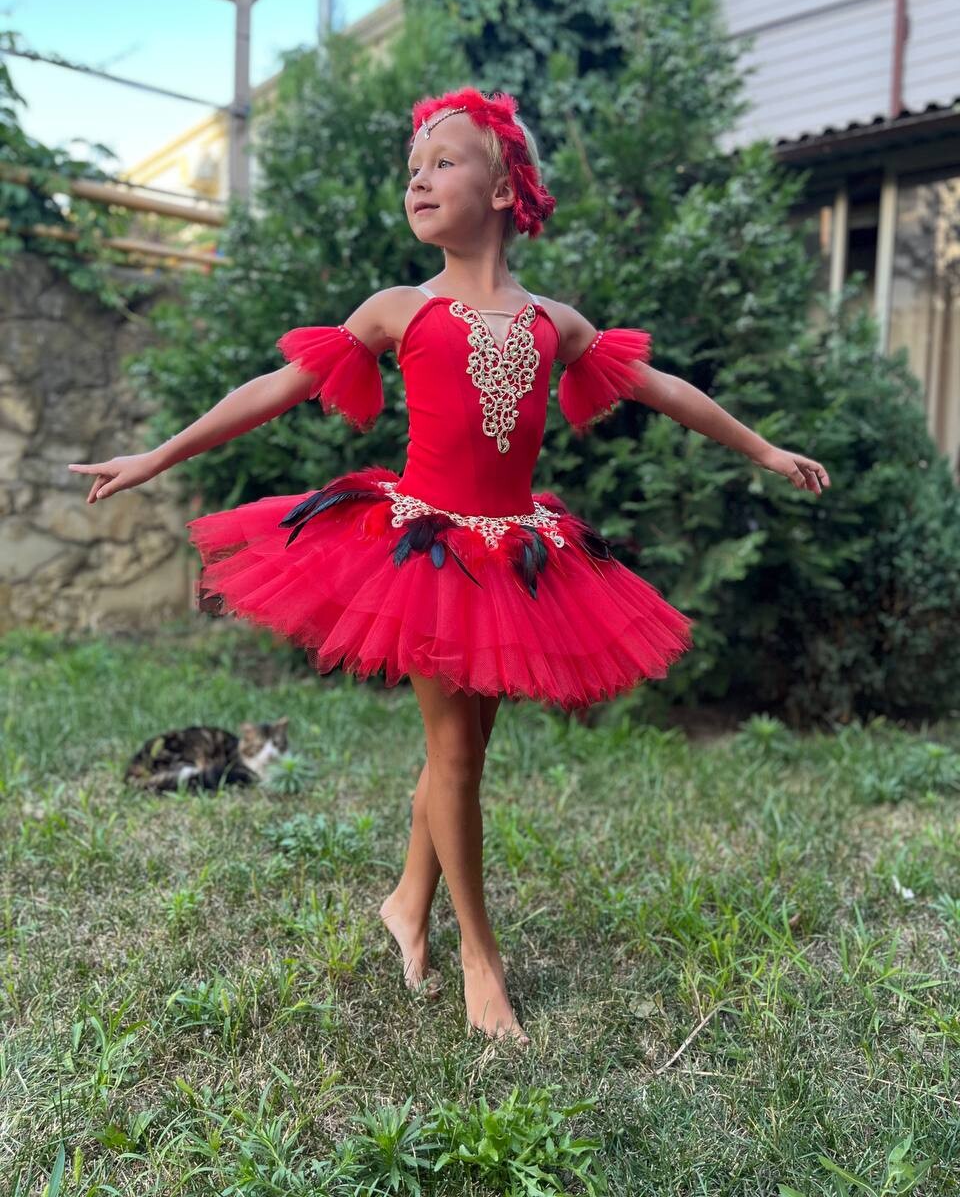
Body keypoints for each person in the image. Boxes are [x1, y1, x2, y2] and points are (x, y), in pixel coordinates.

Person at [68, 85, 830, 1045]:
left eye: (444, 162)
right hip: (424, 552)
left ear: (504, 188)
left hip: (513, 559)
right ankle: (480, 956)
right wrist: (158, 455)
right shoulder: (401, 309)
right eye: (413, 169)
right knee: (457, 754)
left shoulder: (553, 321)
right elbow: (276, 386)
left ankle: (406, 900)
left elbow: (663, 387)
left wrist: (762, 449)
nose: (420, 181)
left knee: (461, 751)